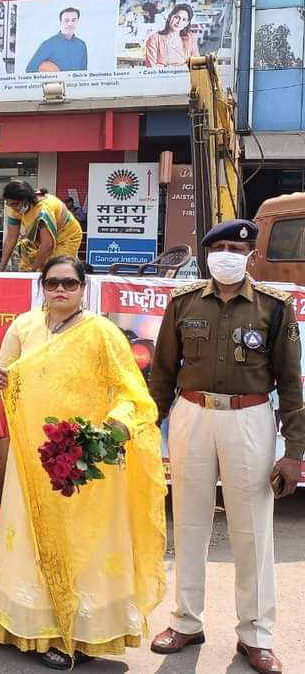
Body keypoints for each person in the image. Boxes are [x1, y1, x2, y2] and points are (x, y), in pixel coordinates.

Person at [0, 256, 167, 670]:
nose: (60, 290)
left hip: (83, 460)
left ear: (83, 287)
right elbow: (0, 378)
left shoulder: (102, 333)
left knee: (81, 543)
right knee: (28, 540)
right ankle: (26, 626)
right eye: (52, 283)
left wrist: (114, 430)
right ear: (42, 286)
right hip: (31, 458)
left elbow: (130, 392)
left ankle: (77, 634)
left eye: (69, 283)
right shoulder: (24, 326)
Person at [148, 220, 303, 674]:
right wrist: (141, 429)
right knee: (189, 522)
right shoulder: (183, 303)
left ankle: (256, 634)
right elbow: (161, 375)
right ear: (207, 254)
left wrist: (293, 452)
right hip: (191, 415)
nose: (229, 255)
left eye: (238, 247)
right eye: (221, 248)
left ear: (252, 255)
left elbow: (292, 386)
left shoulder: (274, 308)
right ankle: (186, 621)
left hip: (251, 418)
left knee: (252, 530)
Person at [0, 181, 83, 272]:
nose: (12, 208)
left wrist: (33, 270)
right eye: (9, 205)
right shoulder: (14, 208)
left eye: (14, 204)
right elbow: (11, 238)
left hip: (66, 236)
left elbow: (47, 245)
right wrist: (2, 267)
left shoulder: (44, 210)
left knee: (55, 270)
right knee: (25, 253)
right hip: (41, 238)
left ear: (25, 200)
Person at [26, 7, 88, 72]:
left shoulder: (81, 45)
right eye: (66, 20)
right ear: (60, 22)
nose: (70, 24)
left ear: (77, 22)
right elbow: (30, 69)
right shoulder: (48, 44)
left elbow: (84, 71)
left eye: (73, 20)